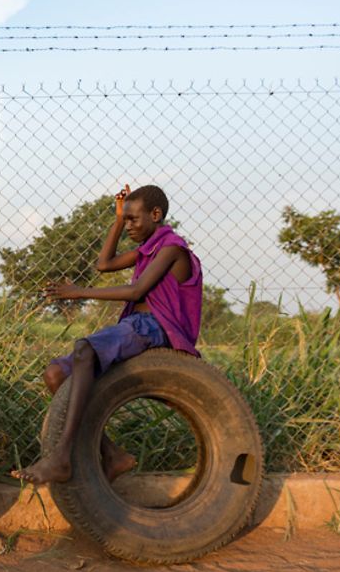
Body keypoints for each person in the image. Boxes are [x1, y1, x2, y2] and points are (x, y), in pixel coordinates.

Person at [12, 184, 203, 485]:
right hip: (136, 326)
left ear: (156, 215)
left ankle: (62, 456)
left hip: (155, 327)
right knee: (55, 374)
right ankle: (113, 454)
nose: (128, 226)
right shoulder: (145, 251)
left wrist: (79, 292)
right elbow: (104, 264)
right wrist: (116, 219)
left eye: (133, 219)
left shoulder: (172, 249)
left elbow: (137, 290)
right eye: (125, 220)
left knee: (84, 350)